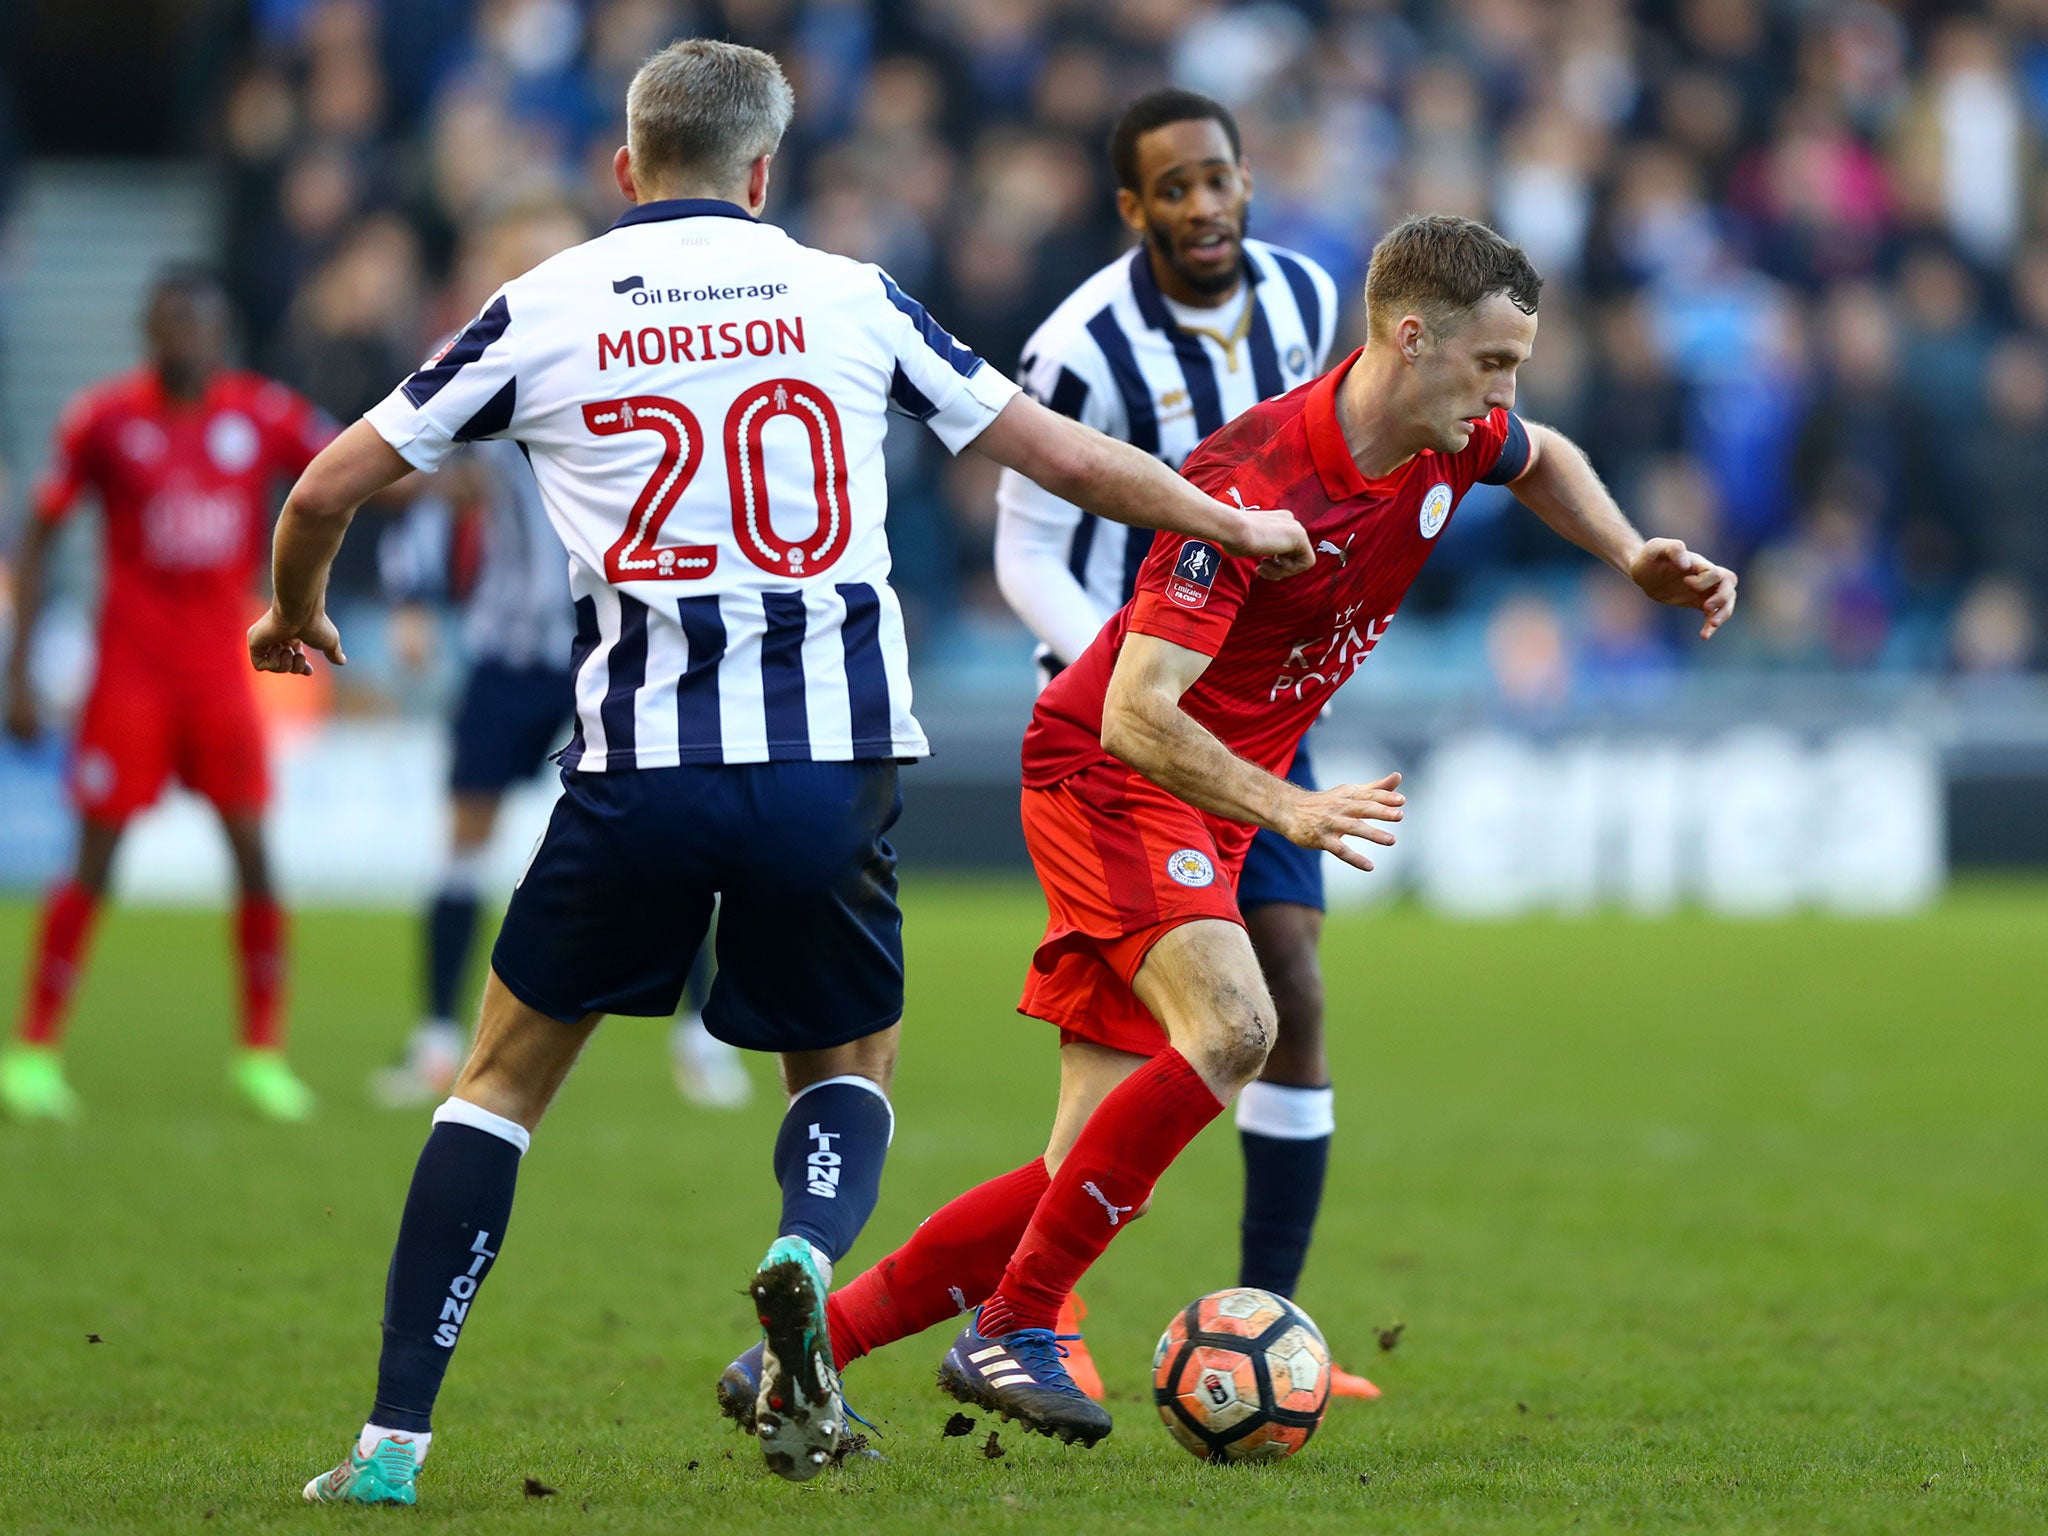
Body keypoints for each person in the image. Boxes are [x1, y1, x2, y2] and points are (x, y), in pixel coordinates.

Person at [253, 39, 1311, 1503]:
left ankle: (389, 1450)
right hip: (829, 770)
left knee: (493, 1087)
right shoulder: (846, 292)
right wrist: (1230, 520)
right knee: (847, 1068)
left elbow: (324, 486)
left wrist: (298, 606)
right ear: (766, 173)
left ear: (625, 170)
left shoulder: (545, 301)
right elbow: (1060, 457)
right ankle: (806, 1256)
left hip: (636, 774)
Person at [721, 214, 1738, 1448]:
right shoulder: (1250, 482)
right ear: (1407, 339)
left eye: (1513, 368)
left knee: (1078, 1176)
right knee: (1238, 1027)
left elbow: (1544, 458)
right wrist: (1289, 807)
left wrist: (1631, 552)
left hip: (1199, 790)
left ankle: (804, 1353)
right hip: (1113, 777)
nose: (1503, 394)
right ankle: (1013, 1325)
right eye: (1490, 365)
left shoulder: (1448, 436)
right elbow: (1138, 715)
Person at [991, 87, 1377, 1400]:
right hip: (1131, 724)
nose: (1204, 207)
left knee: (1297, 997)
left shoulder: (1305, 298)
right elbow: (1025, 542)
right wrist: (1125, 668)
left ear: (1247, 181)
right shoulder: (1079, 346)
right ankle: (1049, 1316)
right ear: (1131, 209)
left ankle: (1275, 1325)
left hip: (1264, 705)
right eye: (1175, 188)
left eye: (1220, 179)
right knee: (1114, 1037)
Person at [368, 200, 749, 1113]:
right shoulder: (477, 360)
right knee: (465, 836)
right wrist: (414, 604)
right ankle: (432, 1038)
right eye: (520, 254)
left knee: (672, 842)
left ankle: (703, 1037)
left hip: (618, 645)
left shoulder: (629, 348)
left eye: (551, 253)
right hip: (511, 647)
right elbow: (420, 487)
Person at [1, 268, 332, 1124]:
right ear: (150, 331)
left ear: (221, 335)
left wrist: (440, 477)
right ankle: (33, 1050)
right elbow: (38, 538)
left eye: (201, 325)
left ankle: (261, 1055)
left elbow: (345, 467)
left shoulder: (257, 413)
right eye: (172, 324)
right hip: (131, 674)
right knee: (95, 857)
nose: (187, 338)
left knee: (254, 853)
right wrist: (20, 671)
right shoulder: (104, 420)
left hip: (222, 672)